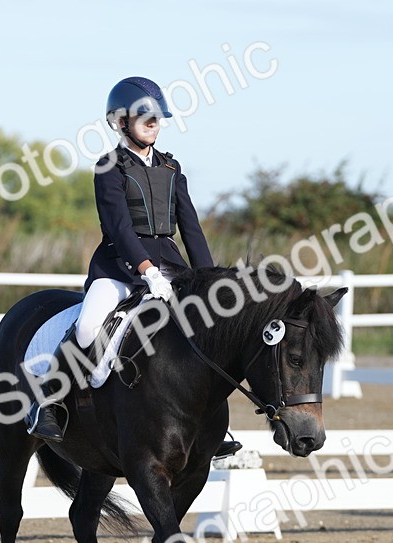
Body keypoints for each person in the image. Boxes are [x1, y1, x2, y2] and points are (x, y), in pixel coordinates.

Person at [25, 76, 242, 459]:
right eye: (145, 118)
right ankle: (51, 404)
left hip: (171, 265)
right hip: (119, 268)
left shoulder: (172, 167)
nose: (153, 124)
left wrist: (209, 280)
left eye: (158, 118)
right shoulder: (108, 167)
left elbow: (190, 227)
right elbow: (118, 226)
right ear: (121, 122)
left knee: (206, 328)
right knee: (91, 325)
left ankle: (211, 423)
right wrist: (146, 270)